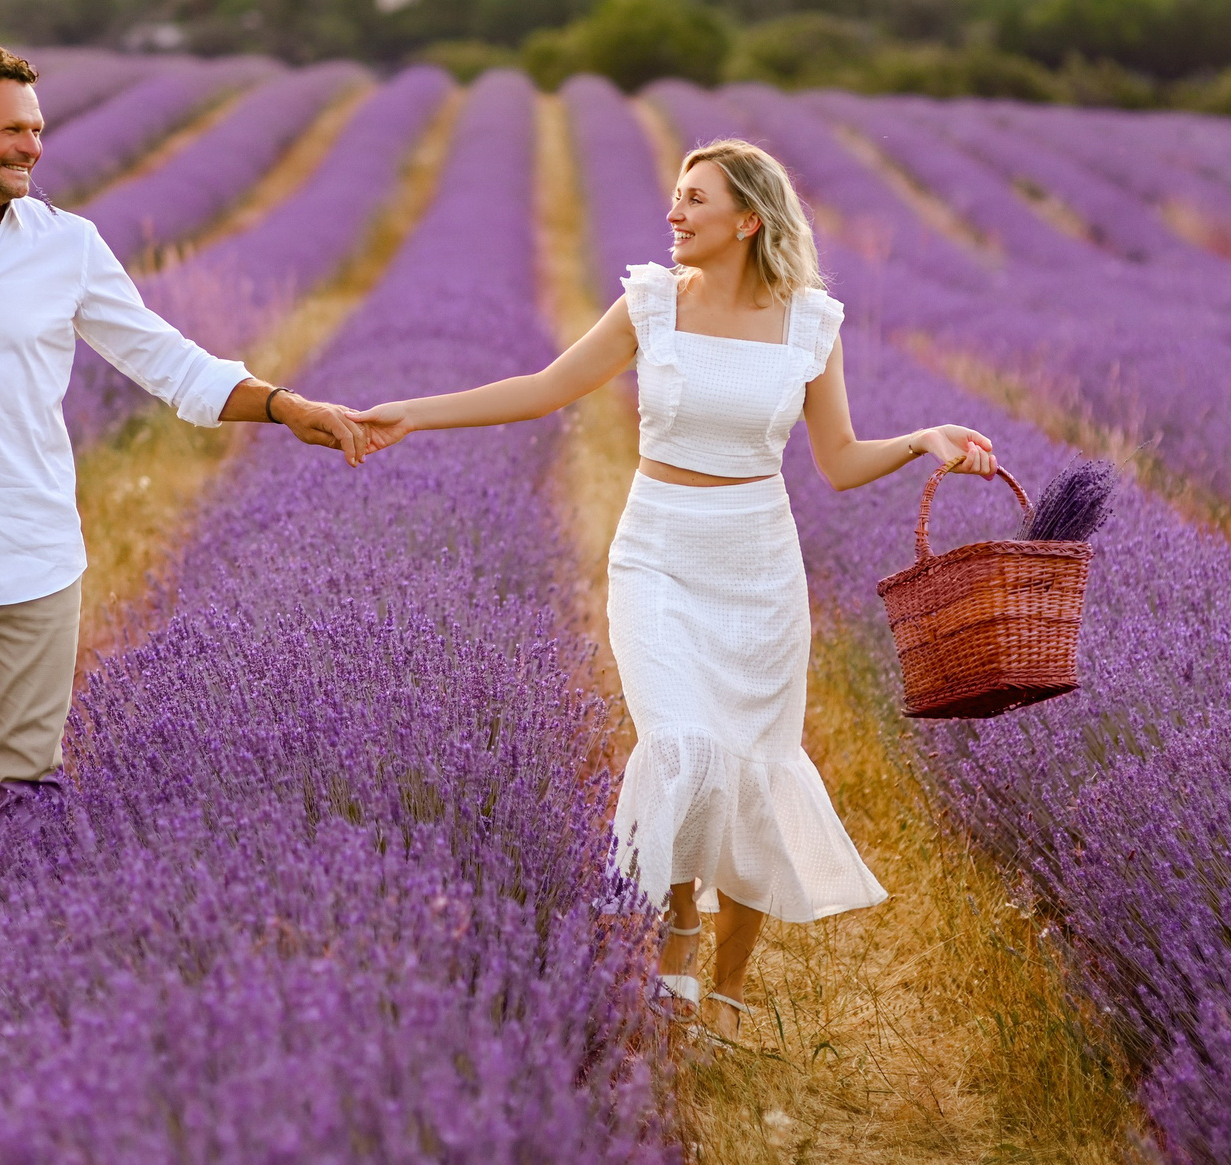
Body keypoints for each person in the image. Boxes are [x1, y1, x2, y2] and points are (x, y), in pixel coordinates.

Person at [352, 138, 995, 1036]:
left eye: (694, 199)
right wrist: (412, 413)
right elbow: (545, 389)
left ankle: (728, 988)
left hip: (759, 564)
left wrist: (922, 437)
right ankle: (679, 926)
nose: (674, 213)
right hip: (657, 552)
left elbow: (840, 461)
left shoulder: (810, 322)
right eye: (674, 196)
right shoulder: (651, 303)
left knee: (751, 768)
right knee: (685, 746)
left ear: (748, 220)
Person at [0, 45, 368, 864]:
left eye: (38, 129)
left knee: (31, 776)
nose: (33, 147)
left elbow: (168, 361)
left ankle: (8, 914)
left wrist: (283, 405)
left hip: (34, 542)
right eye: (12, 130)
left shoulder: (70, 246)